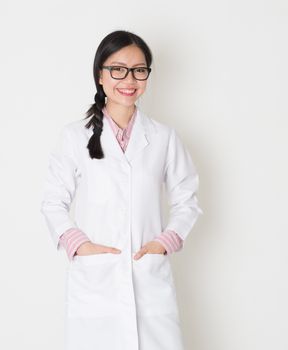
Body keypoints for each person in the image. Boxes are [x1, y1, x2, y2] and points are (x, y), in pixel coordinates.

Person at [40, 29, 203, 350]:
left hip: (149, 277)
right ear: (100, 75)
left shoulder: (163, 137)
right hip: (96, 280)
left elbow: (187, 199)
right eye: (118, 69)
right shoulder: (74, 137)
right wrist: (80, 246)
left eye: (139, 70)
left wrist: (163, 243)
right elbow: (52, 202)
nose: (129, 79)